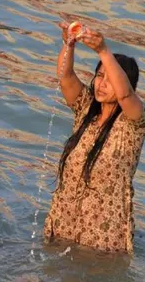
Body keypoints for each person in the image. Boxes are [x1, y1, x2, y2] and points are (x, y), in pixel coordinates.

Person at [43, 22, 144, 253]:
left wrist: (103, 51)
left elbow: (126, 94)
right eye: (99, 76)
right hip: (64, 225)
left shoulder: (134, 122)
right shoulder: (86, 109)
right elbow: (65, 76)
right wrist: (68, 43)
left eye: (110, 79)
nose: (101, 84)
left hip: (103, 239)